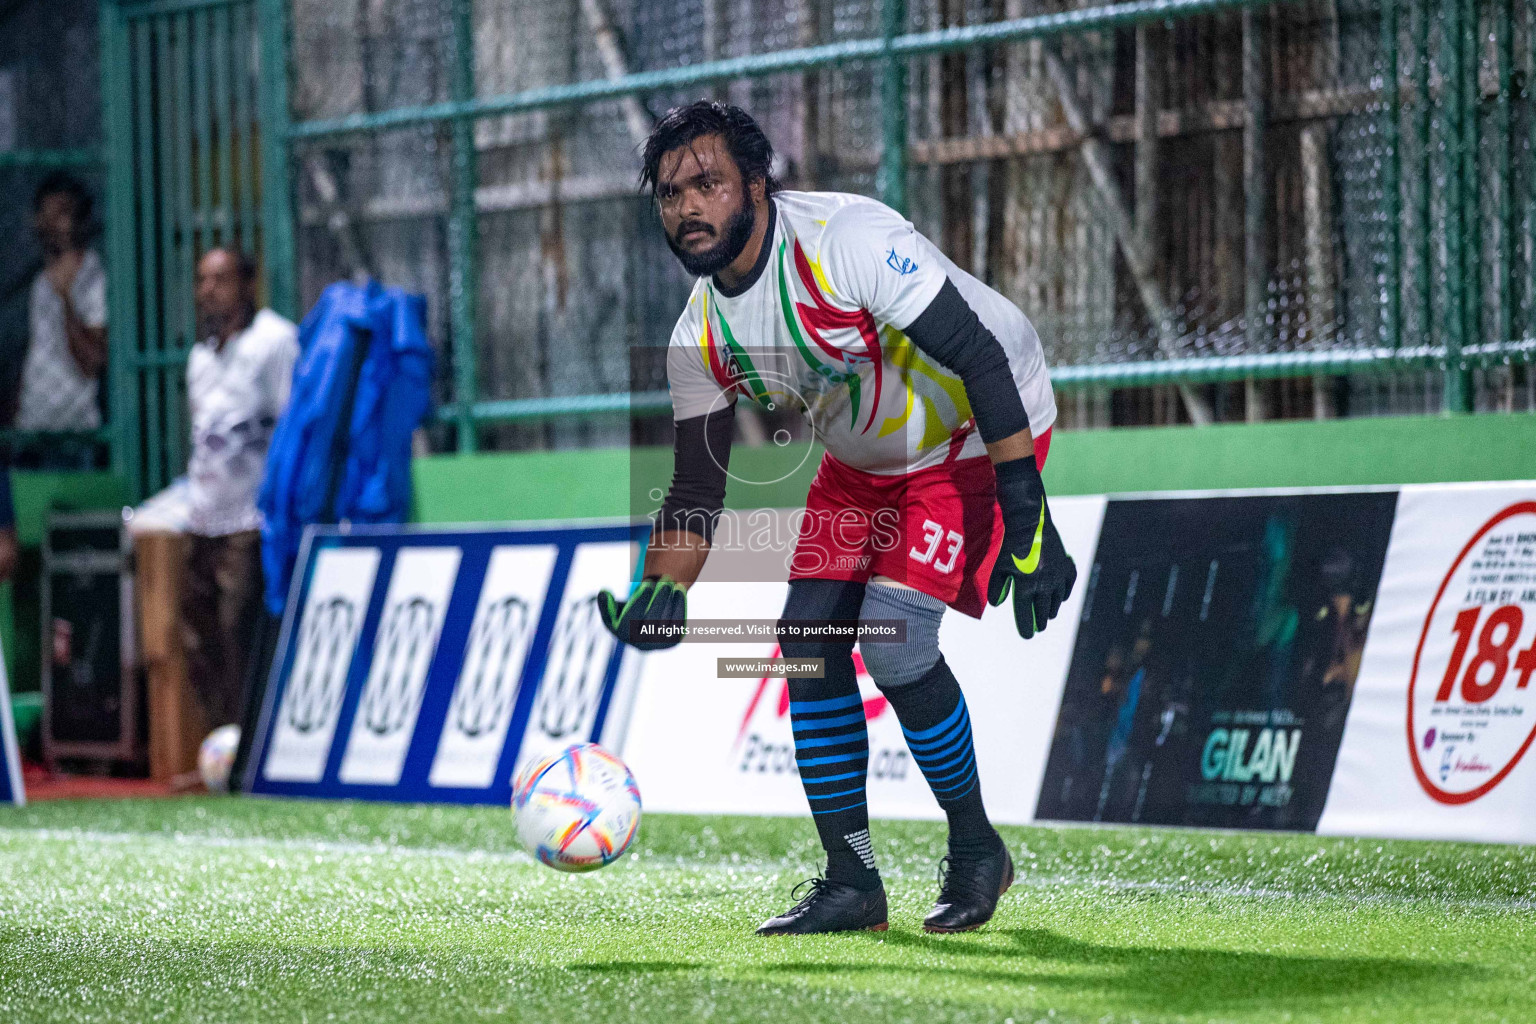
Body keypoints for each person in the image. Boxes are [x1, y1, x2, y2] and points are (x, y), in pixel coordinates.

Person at [598, 102, 1076, 935]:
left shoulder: (845, 241)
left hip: (971, 429)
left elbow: (979, 356)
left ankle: (976, 850)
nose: (687, 206)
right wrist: (659, 588)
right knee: (804, 650)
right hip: (860, 465)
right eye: (670, 194)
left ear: (756, 184)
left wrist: (1025, 502)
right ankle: (851, 882)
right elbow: (696, 489)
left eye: (706, 182)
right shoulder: (699, 335)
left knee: (895, 640)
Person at [181, 248, 298, 729]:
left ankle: (252, 742)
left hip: (249, 518)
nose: (209, 290)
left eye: (221, 279)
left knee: (239, 631)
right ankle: (221, 736)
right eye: (202, 280)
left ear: (248, 283)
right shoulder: (200, 357)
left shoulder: (275, 341)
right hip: (202, 517)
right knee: (196, 635)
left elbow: (292, 427)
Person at [15, 173, 108, 447]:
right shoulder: (40, 281)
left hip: (76, 430)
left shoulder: (93, 277)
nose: (51, 224)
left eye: (62, 214)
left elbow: (91, 363)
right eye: (46, 214)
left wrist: (66, 299)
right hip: (32, 426)